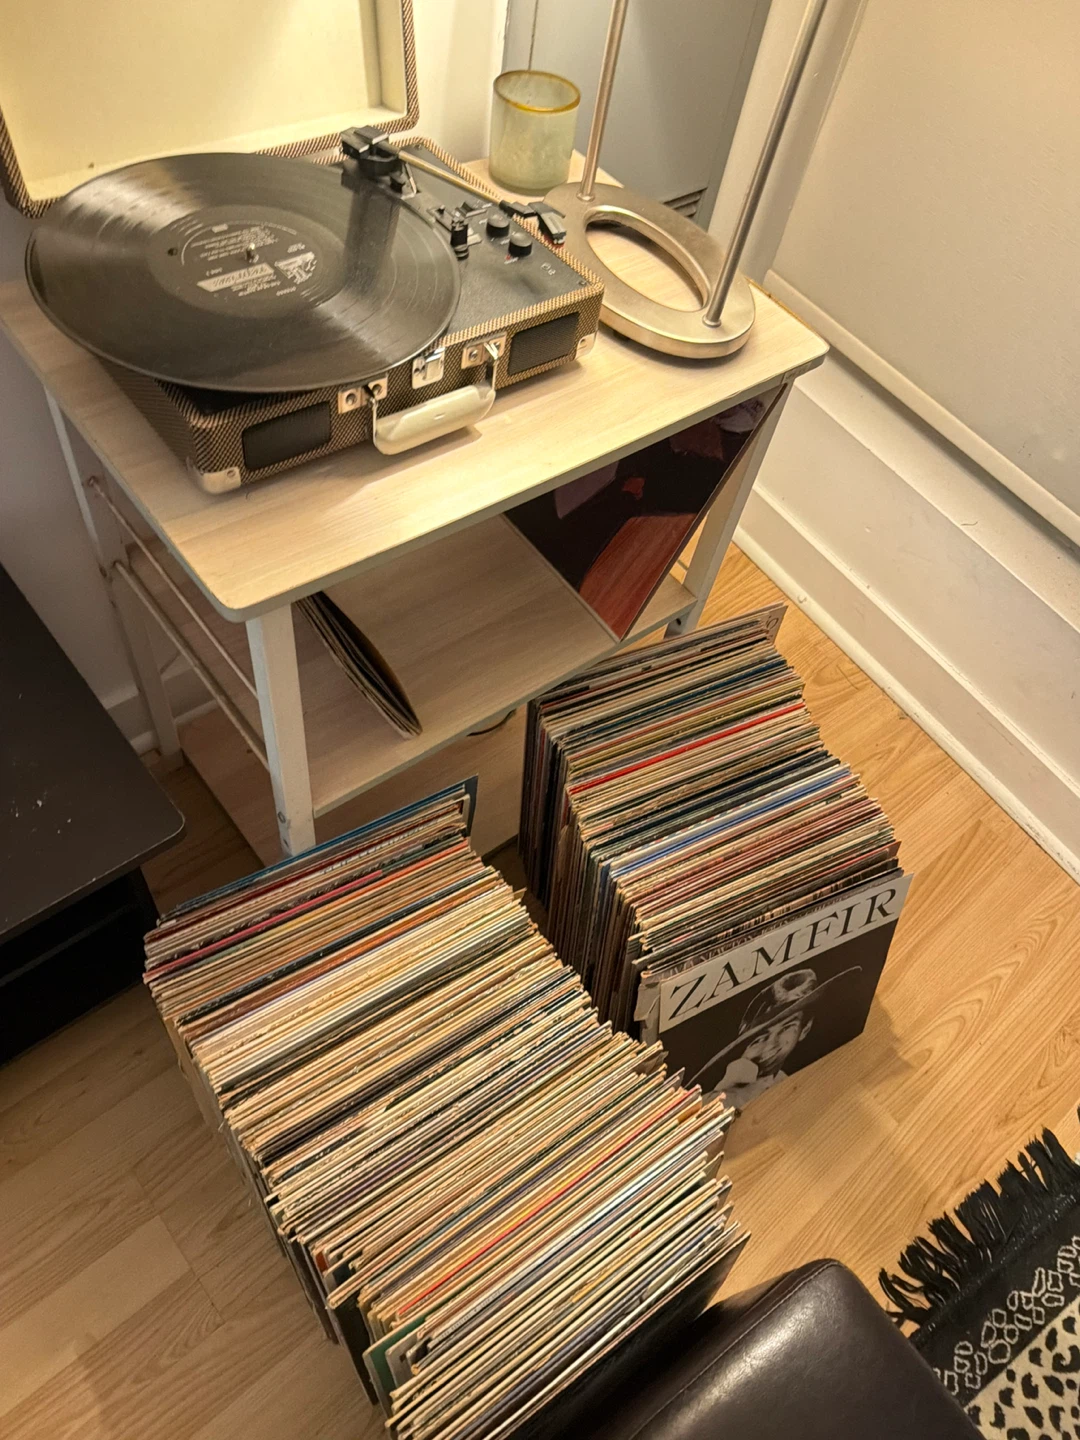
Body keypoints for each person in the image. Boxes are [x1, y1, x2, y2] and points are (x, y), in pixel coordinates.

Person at [691, 965, 861, 1110]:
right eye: (759, 1039)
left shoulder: (785, 1080)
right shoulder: (725, 1094)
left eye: (787, 1028)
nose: (771, 1045)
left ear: (805, 1029)